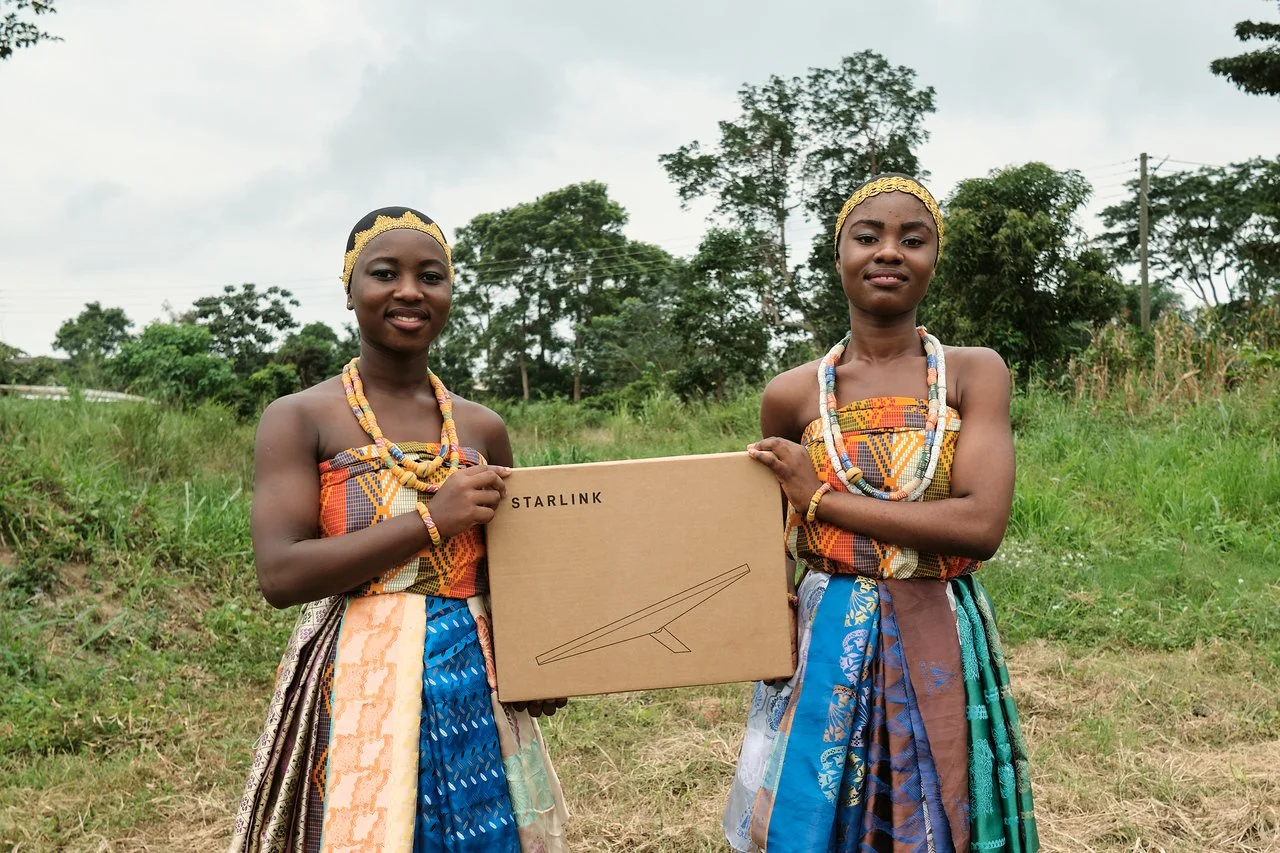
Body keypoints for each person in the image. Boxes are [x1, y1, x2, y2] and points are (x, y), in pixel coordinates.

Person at [229, 207, 568, 852]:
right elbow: (281, 573)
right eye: (385, 273)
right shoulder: (301, 417)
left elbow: (509, 575)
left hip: (474, 677)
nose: (410, 291)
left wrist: (537, 663)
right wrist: (432, 520)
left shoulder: (481, 428)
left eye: (431, 276)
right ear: (351, 290)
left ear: (449, 294)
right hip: (353, 674)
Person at [723, 176, 1040, 852]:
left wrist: (824, 499)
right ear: (838, 256)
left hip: (940, 627)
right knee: (820, 809)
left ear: (933, 260)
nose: (889, 251)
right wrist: (770, 618)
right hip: (824, 628)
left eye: (913, 239)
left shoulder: (973, 374)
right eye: (868, 236)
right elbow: (771, 536)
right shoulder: (791, 394)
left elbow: (980, 525)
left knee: (940, 802)